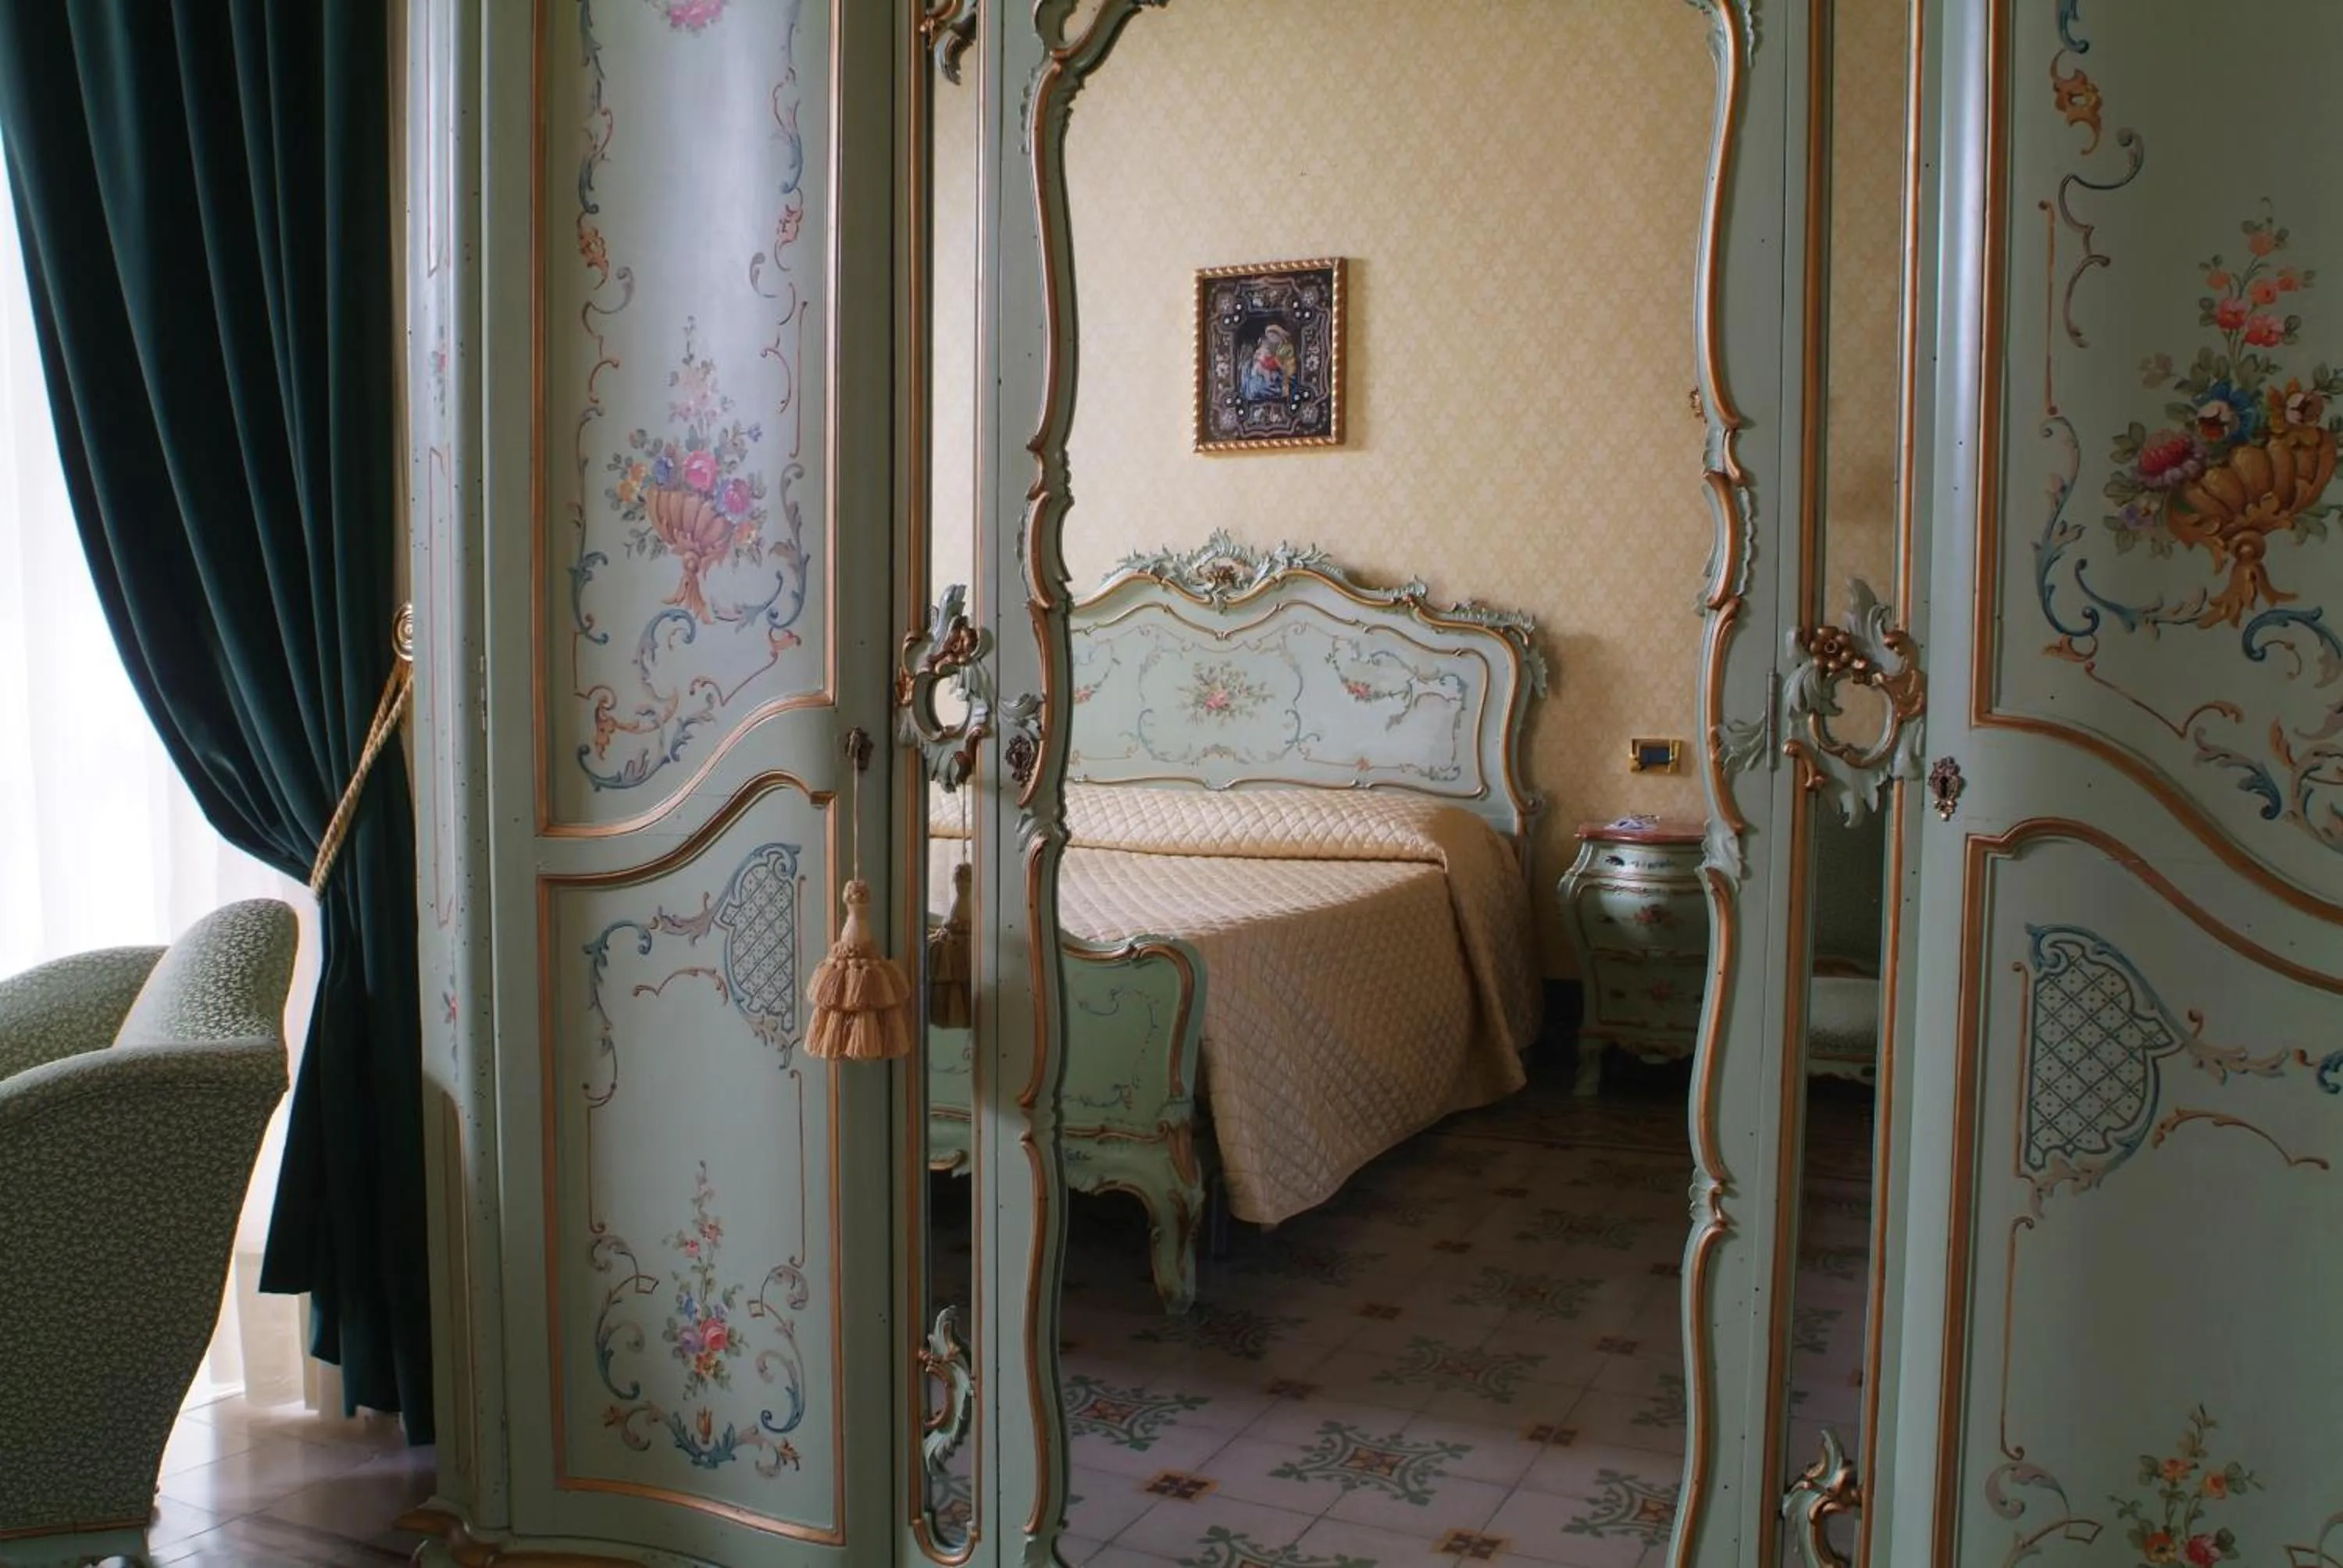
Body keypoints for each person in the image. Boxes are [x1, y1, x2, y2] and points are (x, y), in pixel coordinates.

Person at [1237, 321, 1297, 403]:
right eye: (1269, 336)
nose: (1271, 338)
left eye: (1273, 336)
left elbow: (1284, 364)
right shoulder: (1262, 351)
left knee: (1265, 371)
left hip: (1277, 369)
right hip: (1266, 367)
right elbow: (1260, 358)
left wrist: (1275, 363)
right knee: (1259, 368)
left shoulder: (1285, 348)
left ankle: (1269, 382)